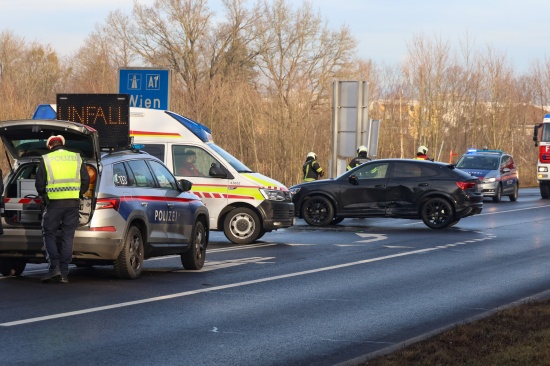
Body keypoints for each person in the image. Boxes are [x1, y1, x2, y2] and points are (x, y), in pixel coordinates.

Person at [36, 135, 90, 283]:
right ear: (62, 144)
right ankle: (64, 273)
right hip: (72, 203)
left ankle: (54, 268)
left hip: (54, 204)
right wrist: (79, 194)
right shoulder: (76, 158)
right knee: (68, 236)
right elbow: (86, 180)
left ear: (50, 146)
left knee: (49, 233)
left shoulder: (46, 159)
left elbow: (39, 184)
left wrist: (44, 196)